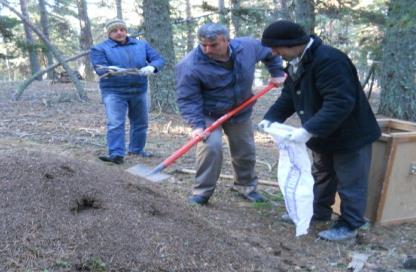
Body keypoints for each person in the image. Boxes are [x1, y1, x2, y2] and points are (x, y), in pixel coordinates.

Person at [258, 20, 381, 241]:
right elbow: (289, 97)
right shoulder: (297, 62)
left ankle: (350, 224)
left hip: (350, 134)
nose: (274, 53)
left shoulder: (329, 60)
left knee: (350, 180)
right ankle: (317, 211)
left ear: (293, 43)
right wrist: (270, 119)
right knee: (321, 175)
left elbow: (340, 102)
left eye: (277, 47)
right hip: (323, 135)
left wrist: (307, 130)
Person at [175, 23, 285, 205]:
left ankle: (246, 186)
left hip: (240, 109)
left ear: (227, 41)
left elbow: (270, 53)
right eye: (203, 45)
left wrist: (277, 72)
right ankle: (202, 192)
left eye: (213, 45)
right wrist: (196, 125)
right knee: (211, 147)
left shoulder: (247, 47)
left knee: (245, 149)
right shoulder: (189, 65)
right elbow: (187, 98)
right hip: (208, 113)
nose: (207, 49)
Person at [90, 19, 165, 165]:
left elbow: (158, 59)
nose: (119, 32)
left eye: (122, 29)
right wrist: (110, 70)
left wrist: (152, 67)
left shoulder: (141, 44)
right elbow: (99, 68)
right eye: (115, 30)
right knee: (116, 122)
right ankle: (116, 154)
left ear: (126, 30)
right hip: (114, 91)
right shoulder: (100, 48)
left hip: (139, 89)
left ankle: (137, 149)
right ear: (109, 33)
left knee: (141, 122)